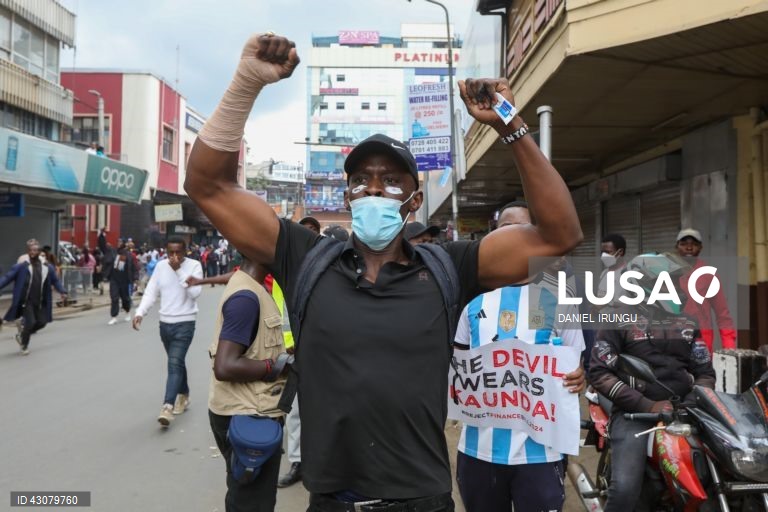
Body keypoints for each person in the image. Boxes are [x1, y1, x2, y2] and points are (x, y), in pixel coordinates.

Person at [184, 32, 582, 511]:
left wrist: (507, 121)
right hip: (332, 500)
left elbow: (558, 235)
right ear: (347, 195)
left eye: (391, 181)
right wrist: (246, 83)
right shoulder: (305, 257)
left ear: (414, 202)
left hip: (422, 500)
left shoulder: (448, 267)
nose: (374, 189)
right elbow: (207, 185)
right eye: (362, 180)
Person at [455, 202, 585, 512]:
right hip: (478, 452)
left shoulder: (553, 302)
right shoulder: (474, 305)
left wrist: (579, 377)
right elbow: (459, 367)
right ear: (492, 239)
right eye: (505, 230)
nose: (514, 238)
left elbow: (573, 365)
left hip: (541, 453)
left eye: (523, 231)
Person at [589, 253, 716, 512]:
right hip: (635, 414)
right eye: (669, 281)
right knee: (625, 489)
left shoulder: (688, 323)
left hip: (686, 411)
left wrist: (694, 400)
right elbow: (600, 373)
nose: (678, 288)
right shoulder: (617, 319)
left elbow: (705, 371)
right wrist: (647, 406)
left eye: (677, 281)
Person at [208, 256, 289, 512]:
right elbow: (225, 365)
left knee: (245, 491)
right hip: (249, 414)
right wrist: (275, 367)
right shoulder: (246, 298)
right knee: (252, 502)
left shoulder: (253, 286)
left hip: (247, 411)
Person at [132, 237, 204, 427]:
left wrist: (178, 271)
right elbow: (151, 292)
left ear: (185, 251)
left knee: (174, 363)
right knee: (177, 362)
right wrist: (140, 312)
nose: (173, 256)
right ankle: (184, 394)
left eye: (178, 252)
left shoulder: (194, 266)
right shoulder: (161, 266)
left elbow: (195, 293)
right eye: (170, 252)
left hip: (185, 323)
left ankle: (167, 407)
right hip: (165, 324)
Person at [0, 239, 67, 355]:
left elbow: (55, 281)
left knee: (42, 322)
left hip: (40, 301)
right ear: (28, 252)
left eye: (35, 250)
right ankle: (24, 346)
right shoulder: (22, 267)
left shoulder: (47, 267)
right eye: (31, 250)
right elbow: (7, 278)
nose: (33, 252)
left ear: (39, 252)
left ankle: (23, 335)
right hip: (26, 301)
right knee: (30, 322)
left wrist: (63, 291)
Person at [675, 228, 736, 351]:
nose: (689, 248)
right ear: (677, 247)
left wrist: (729, 348)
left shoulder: (709, 275)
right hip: (674, 341)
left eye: (694, 244)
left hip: (702, 342)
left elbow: (723, 316)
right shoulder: (667, 273)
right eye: (684, 244)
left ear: (701, 247)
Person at [595, 233, 627, 309]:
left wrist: (607, 303)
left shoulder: (628, 275)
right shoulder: (604, 273)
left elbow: (632, 306)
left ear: (620, 252)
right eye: (602, 252)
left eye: (608, 252)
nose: (603, 255)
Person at [108, 248, 136, 325]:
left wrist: (134, 279)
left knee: (125, 299)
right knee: (114, 298)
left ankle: (127, 312)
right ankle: (114, 317)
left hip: (124, 281)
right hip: (114, 280)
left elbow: (133, 268)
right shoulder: (113, 255)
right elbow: (108, 264)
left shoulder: (129, 256)